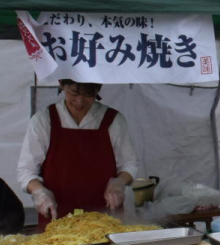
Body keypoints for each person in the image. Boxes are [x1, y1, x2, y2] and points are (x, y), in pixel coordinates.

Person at [17, 79, 139, 227]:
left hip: (105, 216)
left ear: (97, 91)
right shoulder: (44, 120)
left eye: (88, 94)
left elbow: (129, 164)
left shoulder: (113, 120)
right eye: (73, 93)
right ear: (62, 86)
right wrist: (39, 192)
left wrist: (119, 183)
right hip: (56, 216)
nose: (79, 101)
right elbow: (26, 170)